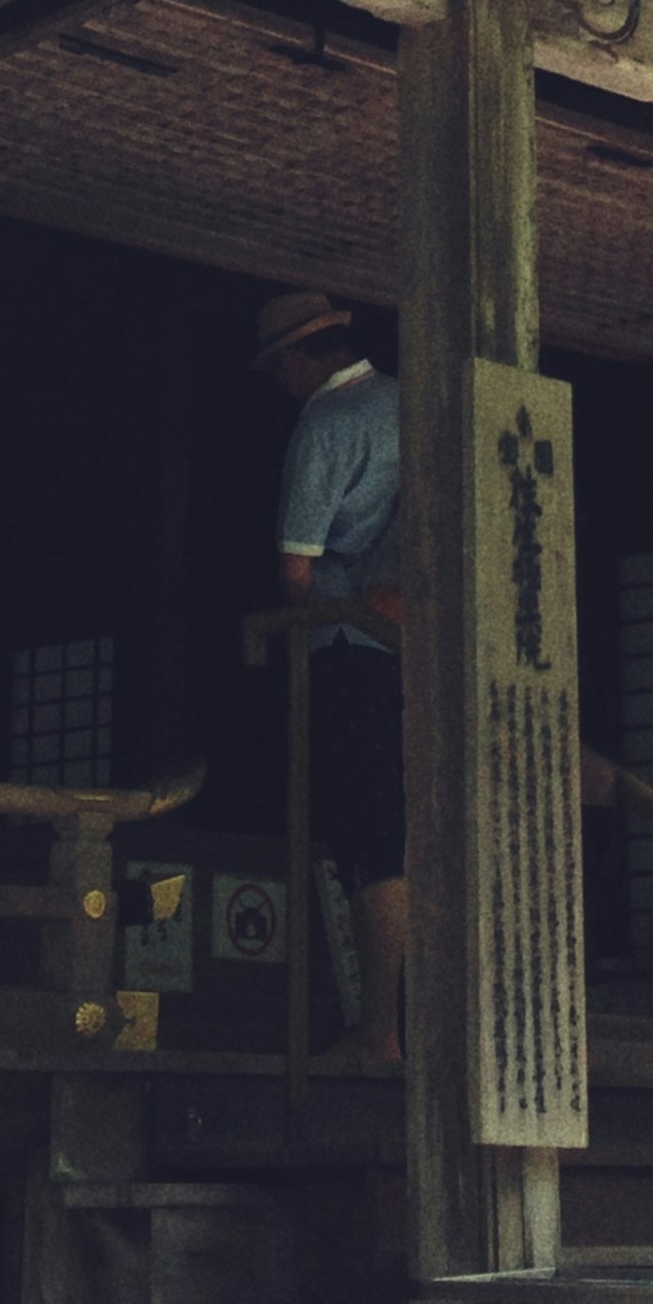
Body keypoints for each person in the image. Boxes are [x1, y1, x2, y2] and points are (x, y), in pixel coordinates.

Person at [256, 285, 407, 1063]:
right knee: (422, 835)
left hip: (349, 644)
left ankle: (379, 1027)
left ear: (297, 358)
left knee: (371, 839)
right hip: (424, 648)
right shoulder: (414, 405)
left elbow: (296, 569)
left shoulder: (325, 424)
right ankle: (415, 1020)